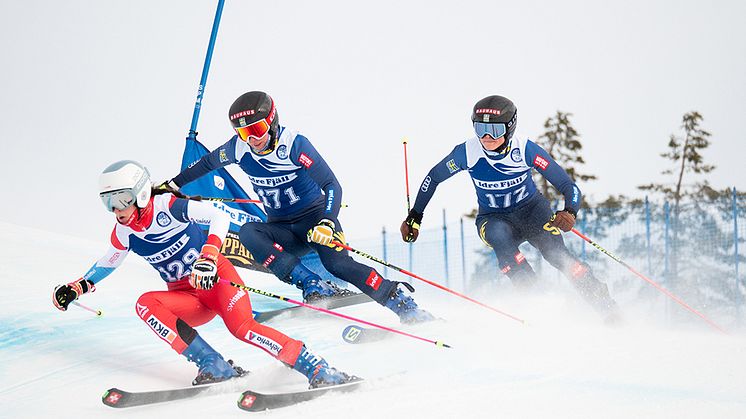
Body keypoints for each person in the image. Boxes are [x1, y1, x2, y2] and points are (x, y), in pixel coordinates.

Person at [53, 160, 357, 388]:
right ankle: (213, 364)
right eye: (108, 202)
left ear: (142, 193)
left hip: (217, 280)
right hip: (188, 298)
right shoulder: (124, 232)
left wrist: (209, 257)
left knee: (243, 328)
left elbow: (218, 217)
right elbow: (108, 262)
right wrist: (78, 287)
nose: (116, 209)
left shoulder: (167, 206)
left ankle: (316, 368)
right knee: (146, 304)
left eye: (121, 199)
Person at [159, 91, 434, 324]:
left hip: (315, 223)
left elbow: (331, 185)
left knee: (338, 264)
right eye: (243, 132)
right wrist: (173, 184)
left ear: (272, 121)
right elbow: (207, 163)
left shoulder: (294, 144)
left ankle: (402, 304)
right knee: (249, 232)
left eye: (256, 129)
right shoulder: (237, 149)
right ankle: (312, 284)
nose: (252, 139)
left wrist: (327, 221)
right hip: (283, 230)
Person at [400, 95, 619, 321]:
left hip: (533, 213)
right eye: (480, 128)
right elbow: (433, 177)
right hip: (494, 218)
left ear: (510, 128)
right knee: (499, 238)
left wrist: (570, 211)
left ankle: (607, 307)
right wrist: (415, 217)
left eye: (494, 130)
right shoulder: (467, 152)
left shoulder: (525, 150)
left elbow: (568, 186)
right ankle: (538, 304)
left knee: (560, 258)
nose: (486, 137)